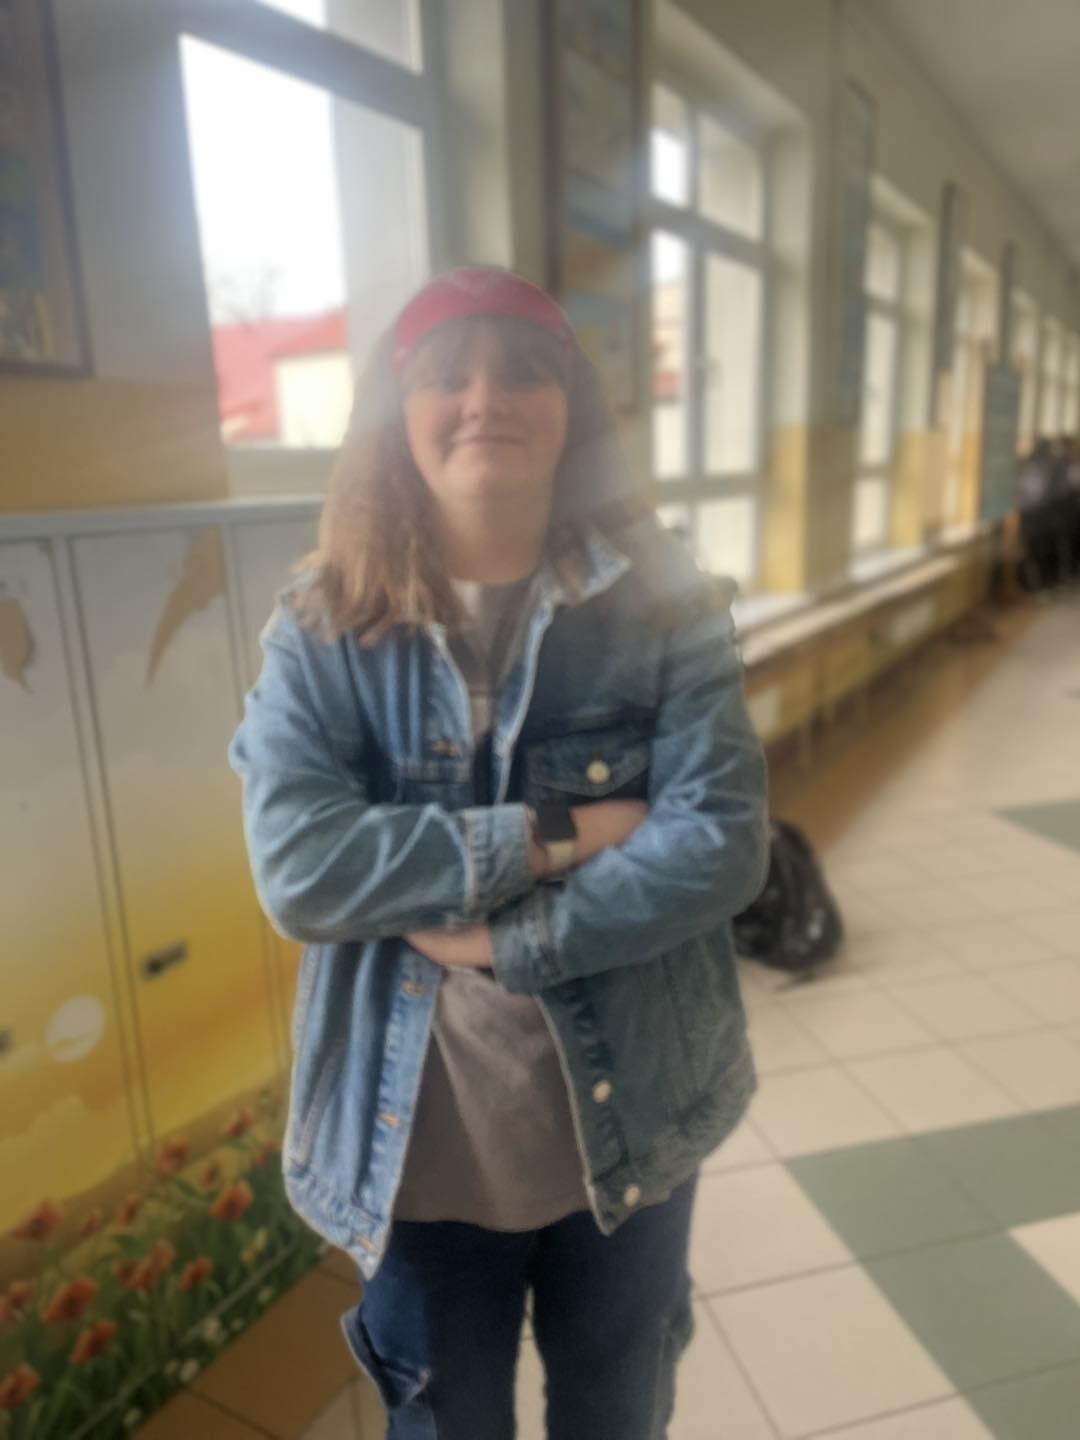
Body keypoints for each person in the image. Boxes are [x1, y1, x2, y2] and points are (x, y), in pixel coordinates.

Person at [229, 266, 768, 1439]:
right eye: (446, 375)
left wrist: (500, 939)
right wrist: (563, 833)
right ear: (397, 414)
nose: (485, 398)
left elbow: (723, 843)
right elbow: (301, 868)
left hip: (634, 1128)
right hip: (415, 1158)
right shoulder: (320, 629)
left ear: (573, 411)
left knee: (616, 1415)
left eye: (523, 371)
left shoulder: (667, 603)